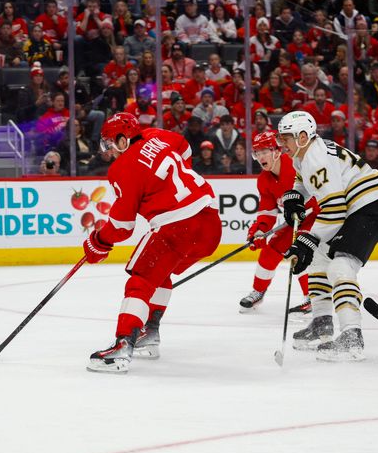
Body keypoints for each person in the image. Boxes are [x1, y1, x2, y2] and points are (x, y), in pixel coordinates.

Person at [83, 112, 221, 374]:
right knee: (160, 271)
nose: (108, 151)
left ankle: (123, 345)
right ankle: (149, 332)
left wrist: (98, 241)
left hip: (179, 225)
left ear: (123, 141)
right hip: (210, 223)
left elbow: (123, 228)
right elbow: (184, 146)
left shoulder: (121, 168)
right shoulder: (157, 137)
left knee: (141, 278)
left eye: (109, 143)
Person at [277, 110, 378, 362]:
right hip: (360, 208)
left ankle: (352, 335)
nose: (281, 144)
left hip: (371, 208)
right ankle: (322, 323)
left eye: (285, 138)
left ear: (301, 136)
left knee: (341, 266)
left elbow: (334, 208)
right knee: (320, 259)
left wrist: (306, 239)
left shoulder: (315, 158)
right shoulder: (304, 153)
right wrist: (295, 195)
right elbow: (302, 177)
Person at [239, 133, 315, 313]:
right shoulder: (263, 180)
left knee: (300, 252)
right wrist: (259, 231)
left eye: (264, 151)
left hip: (317, 216)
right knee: (270, 250)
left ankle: (313, 296)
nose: (260, 157)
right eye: (257, 153)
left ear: (277, 151)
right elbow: (267, 212)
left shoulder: (297, 166)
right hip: (295, 221)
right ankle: (258, 292)